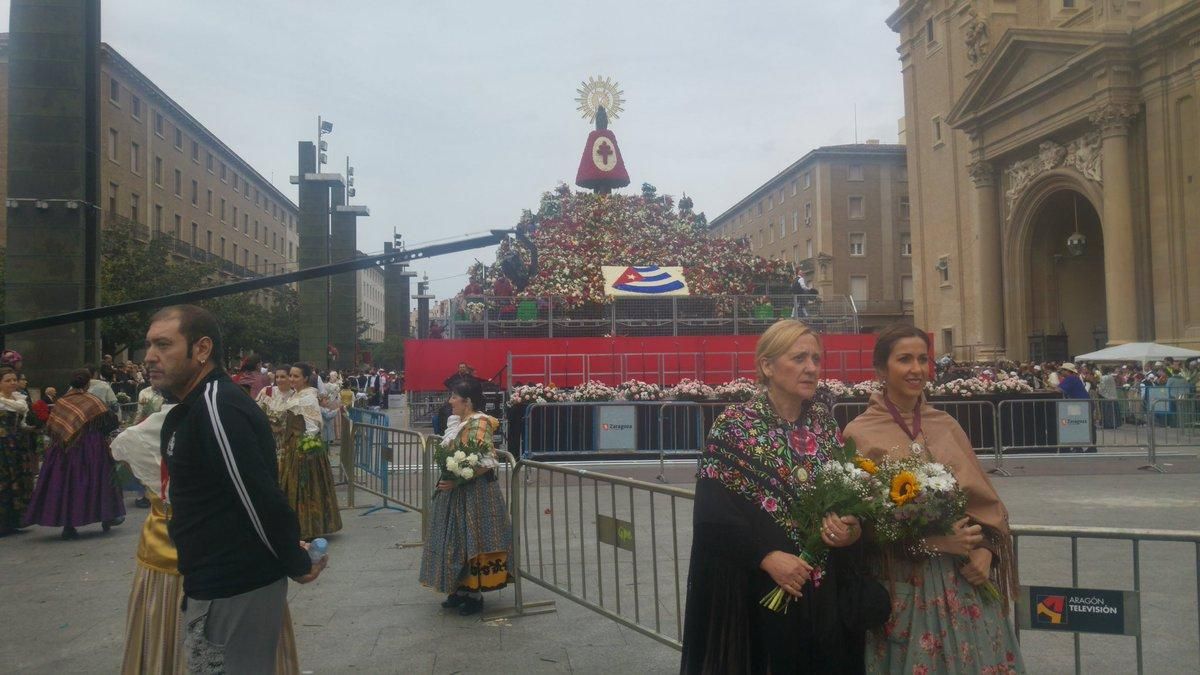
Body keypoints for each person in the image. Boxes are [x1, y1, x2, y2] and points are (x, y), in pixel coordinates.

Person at [681, 319, 873, 673]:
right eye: (799, 358)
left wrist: (851, 528)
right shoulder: (734, 426)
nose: (811, 368)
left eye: (816, 358)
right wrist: (767, 556)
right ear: (767, 366)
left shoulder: (824, 424)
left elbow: (846, 493)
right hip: (759, 591)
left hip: (824, 594)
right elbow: (712, 517)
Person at [145, 305, 325, 673]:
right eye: (149, 345)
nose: (150, 357)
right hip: (214, 584)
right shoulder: (193, 407)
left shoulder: (216, 405)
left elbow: (254, 494)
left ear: (202, 349)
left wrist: (294, 559)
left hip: (234, 586)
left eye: (164, 345)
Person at [843, 324, 1024, 674]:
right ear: (881, 370)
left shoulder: (946, 425)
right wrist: (931, 542)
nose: (916, 369)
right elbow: (861, 527)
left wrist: (987, 551)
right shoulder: (860, 433)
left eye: (922, 359)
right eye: (904, 359)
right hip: (901, 591)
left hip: (963, 585)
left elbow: (982, 503)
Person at [419, 378, 513, 616]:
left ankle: (475, 594)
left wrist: (459, 479)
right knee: (455, 540)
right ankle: (460, 588)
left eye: (453, 396)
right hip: (457, 492)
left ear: (467, 401)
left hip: (476, 493)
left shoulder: (479, 424)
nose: (450, 401)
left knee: (474, 540)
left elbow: (486, 462)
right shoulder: (458, 422)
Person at [23, 368, 125, 540]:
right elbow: (110, 422)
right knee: (98, 480)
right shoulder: (94, 401)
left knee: (66, 483)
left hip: (64, 448)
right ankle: (107, 515)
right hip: (92, 447)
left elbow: (52, 427)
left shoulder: (62, 402)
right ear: (87, 383)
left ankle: (69, 526)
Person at [278, 362, 343, 540]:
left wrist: (305, 447)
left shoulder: (308, 397)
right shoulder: (296, 395)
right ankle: (296, 527)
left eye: (295, 376)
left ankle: (307, 528)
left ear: (305, 378)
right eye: (290, 375)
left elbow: (313, 426)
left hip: (303, 448)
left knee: (305, 487)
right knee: (293, 487)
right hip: (292, 446)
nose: (291, 379)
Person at [0, 367, 37, 537]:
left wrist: (27, 429)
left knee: (19, 480)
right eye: (8, 380)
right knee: (4, 482)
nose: (13, 383)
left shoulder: (20, 401)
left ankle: (14, 520)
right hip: (2, 447)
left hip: (17, 445)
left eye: (14, 380)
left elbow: (20, 423)